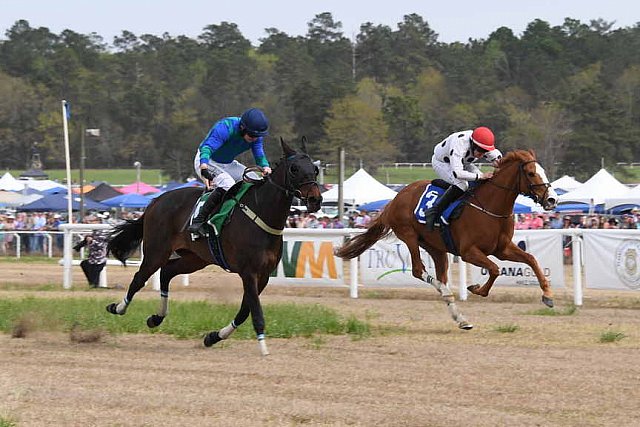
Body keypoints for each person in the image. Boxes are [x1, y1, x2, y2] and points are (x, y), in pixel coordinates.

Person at [188, 108, 272, 237]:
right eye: (252, 136)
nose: (255, 139)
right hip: (207, 160)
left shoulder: (256, 136)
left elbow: (259, 154)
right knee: (228, 183)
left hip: (227, 164)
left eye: (257, 137)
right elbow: (207, 147)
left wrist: (265, 167)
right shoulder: (225, 127)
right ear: (242, 128)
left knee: (255, 179)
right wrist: (203, 165)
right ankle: (198, 220)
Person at [423, 126, 503, 231]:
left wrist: (499, 164)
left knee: (483, 182)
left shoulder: (481, 144)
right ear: (473, 143)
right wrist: (480, 176)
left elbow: (499, 160)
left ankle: (453, 190)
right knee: (462, 185)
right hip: (443, 163)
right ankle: (434, 212)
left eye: (485, 151)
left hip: (464, 163)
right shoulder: (460, 144)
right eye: (480, 151)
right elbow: (458, 173)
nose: (482, 154)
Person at [73, 219, 108, 288]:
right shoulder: (92, 234)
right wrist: (77, 247)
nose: (91, 222)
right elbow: (85, 242)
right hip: (92, 260)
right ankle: (93, 285)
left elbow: (100, 245)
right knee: (84, 264)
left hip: (99, 261)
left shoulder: (103, 235)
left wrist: (91, 241)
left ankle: (95, 286)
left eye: (94, 221)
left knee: (94, 281)